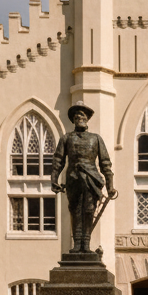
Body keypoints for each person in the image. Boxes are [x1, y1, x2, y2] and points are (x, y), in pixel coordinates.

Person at [51, 100, 117, 253]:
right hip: (73, 179)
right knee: (75, 210)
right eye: (76, 115)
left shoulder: (96, 138)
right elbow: (58, 160)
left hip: (91, 179)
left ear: (87, 118)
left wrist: (110, 186)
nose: (79, 117)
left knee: (88, 210)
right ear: (73, 120)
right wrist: (54, 179)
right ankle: (77, 243)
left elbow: (105, 164)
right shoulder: (66, 138)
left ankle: (86, 243)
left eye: (82, 114)